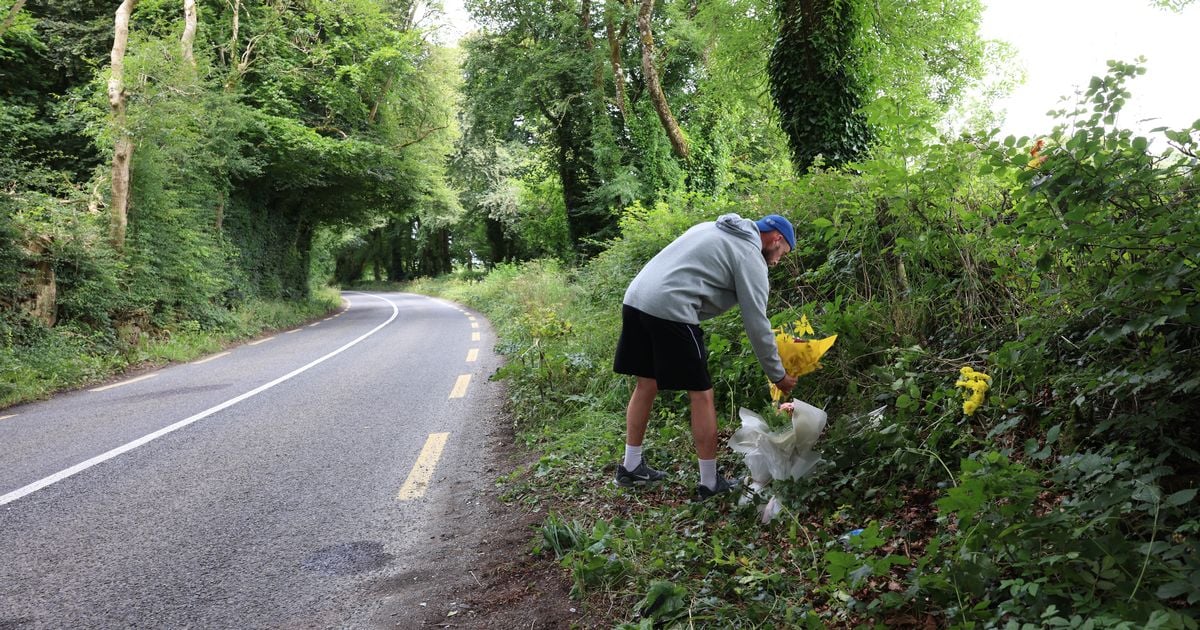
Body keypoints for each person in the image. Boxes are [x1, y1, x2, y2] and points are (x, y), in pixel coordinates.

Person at [613, 213, 799, 499]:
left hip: (636, 300)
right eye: (782, 253)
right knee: (701, 394)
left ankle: (631, 466)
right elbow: (757, 324)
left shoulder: (712, 228)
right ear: (776, 239)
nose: (777, 261)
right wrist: (778, 375)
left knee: (646, 383)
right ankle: (709, 483)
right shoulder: (749, 254)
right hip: (671, 308)